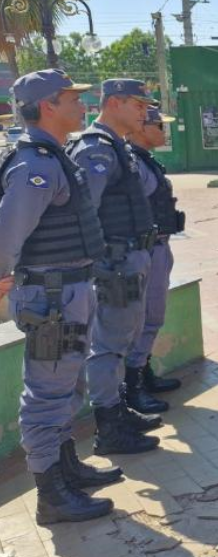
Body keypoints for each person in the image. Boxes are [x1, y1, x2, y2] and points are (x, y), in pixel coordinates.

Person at [1, 69, 120, 525]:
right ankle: (51, 495)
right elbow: (7, 233)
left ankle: (66, 468)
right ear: (48, 105)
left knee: (68, 386)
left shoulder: (54, 156)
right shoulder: (35, 165)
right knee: (47, 394)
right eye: (72, 98)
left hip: (68, 289)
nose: (82, 106)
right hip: (50, 297)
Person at [68, 79, 161, 456]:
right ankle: (109, 427)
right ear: (115, 103)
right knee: (107, 346)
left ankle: (118, 411)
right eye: (138, 105)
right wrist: (100, 260)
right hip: (114, 263)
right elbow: (85, 209)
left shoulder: (116, 146)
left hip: (128, 257)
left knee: (121, 341)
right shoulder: (96, 150)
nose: (144, 112)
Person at [124, 106, 185, 415]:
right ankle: (132, 385)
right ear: (140, 127)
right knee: (144, 318)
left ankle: (142, 371)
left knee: (152, 316)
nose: (164, 131)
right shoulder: (132, 162)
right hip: (145, 251)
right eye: (159, 126)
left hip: (157, 247)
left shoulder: (145, 160)